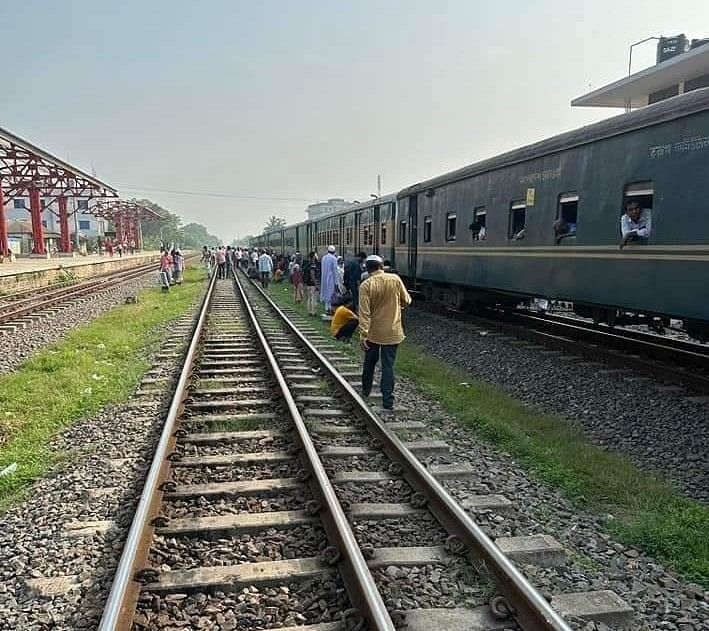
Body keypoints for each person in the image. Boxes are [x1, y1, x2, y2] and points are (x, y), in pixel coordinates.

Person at [358, 254, 412, 410]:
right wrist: (398, 304)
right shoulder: (395, 279)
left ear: (367, 270)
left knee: (369, 363)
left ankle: (366, 391)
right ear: (382, 267)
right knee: (388, 366)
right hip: (393, 331)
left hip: (373, 333)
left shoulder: (366, 285)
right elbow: (407, 300)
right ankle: (388, 401)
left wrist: (363, 334)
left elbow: (364, 313)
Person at [320, 245, 338, 313]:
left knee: (326, 292)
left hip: (324, 278)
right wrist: (336, 283)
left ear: (328, 251)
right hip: (331, 279)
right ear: (334, 252)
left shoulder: (323, 258)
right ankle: (330, 309)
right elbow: (335, 271)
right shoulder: (334, 259)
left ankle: (327, 308)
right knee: (331, 294)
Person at [302, 251, 319, 316]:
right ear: (313, 256)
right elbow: (312, 275)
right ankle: (313, 312)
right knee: (313, 297)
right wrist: (316, 284)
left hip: (308, 283)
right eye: (315, 255)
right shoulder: (313, 265)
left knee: (309, 297)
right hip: (312, 283)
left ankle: (309, 311)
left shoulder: (308, 264)